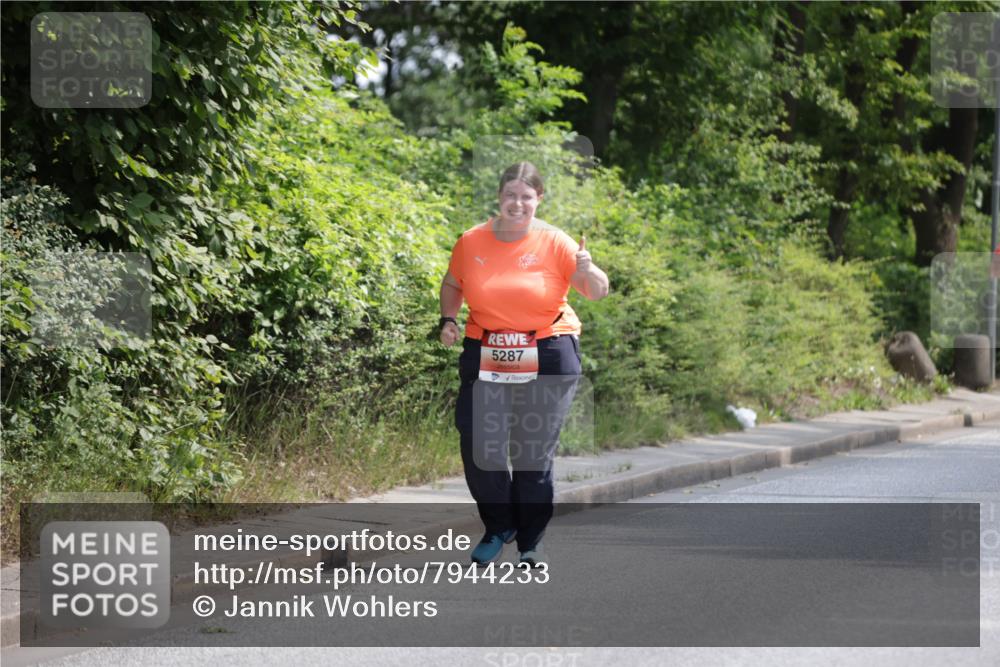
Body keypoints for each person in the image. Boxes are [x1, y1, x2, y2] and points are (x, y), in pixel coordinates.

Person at [438, 161, 609, 567]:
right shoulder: (471, 241)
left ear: (539, 200)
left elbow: (596, 292)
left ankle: (531, 541)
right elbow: (452, 283)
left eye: (526, 197)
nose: (517, 204)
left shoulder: (556, 241)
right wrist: (448, 319)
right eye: (510, 195)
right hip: (486, 348)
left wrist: (589, 269)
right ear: (499, 198)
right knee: (481, 441)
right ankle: (499, 527)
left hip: (547, 349)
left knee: (532, 449)